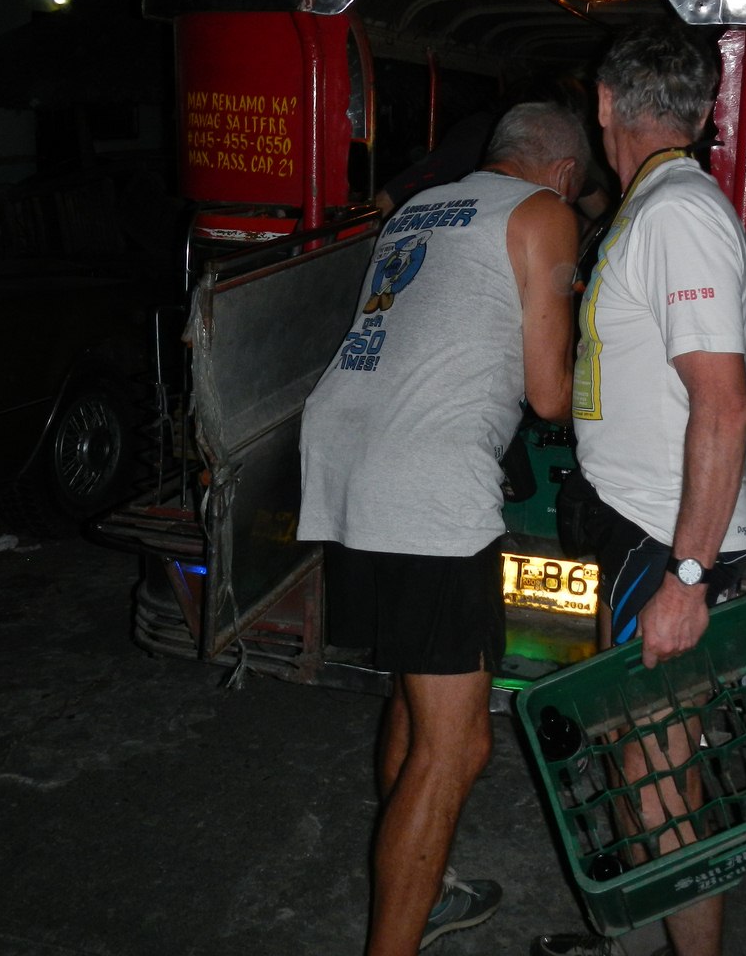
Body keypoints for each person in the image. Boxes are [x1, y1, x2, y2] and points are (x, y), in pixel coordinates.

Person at [298, 101, 592, 955]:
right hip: (425, 475)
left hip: (345, 455)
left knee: (416, 695)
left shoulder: (424, 206)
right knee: (458, 746)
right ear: (563, 172)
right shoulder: (546, 213)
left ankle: (424, 893)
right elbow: (550, 394)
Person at [536, 25, 746, 956]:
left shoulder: (676, 215)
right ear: (703, 113)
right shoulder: (656, 206)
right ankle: (630, 937)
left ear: (602, 103)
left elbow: (724, 408)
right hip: (644, 529)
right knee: (639, 761)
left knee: (659, 770)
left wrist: (687, 575)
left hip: (670, 540)